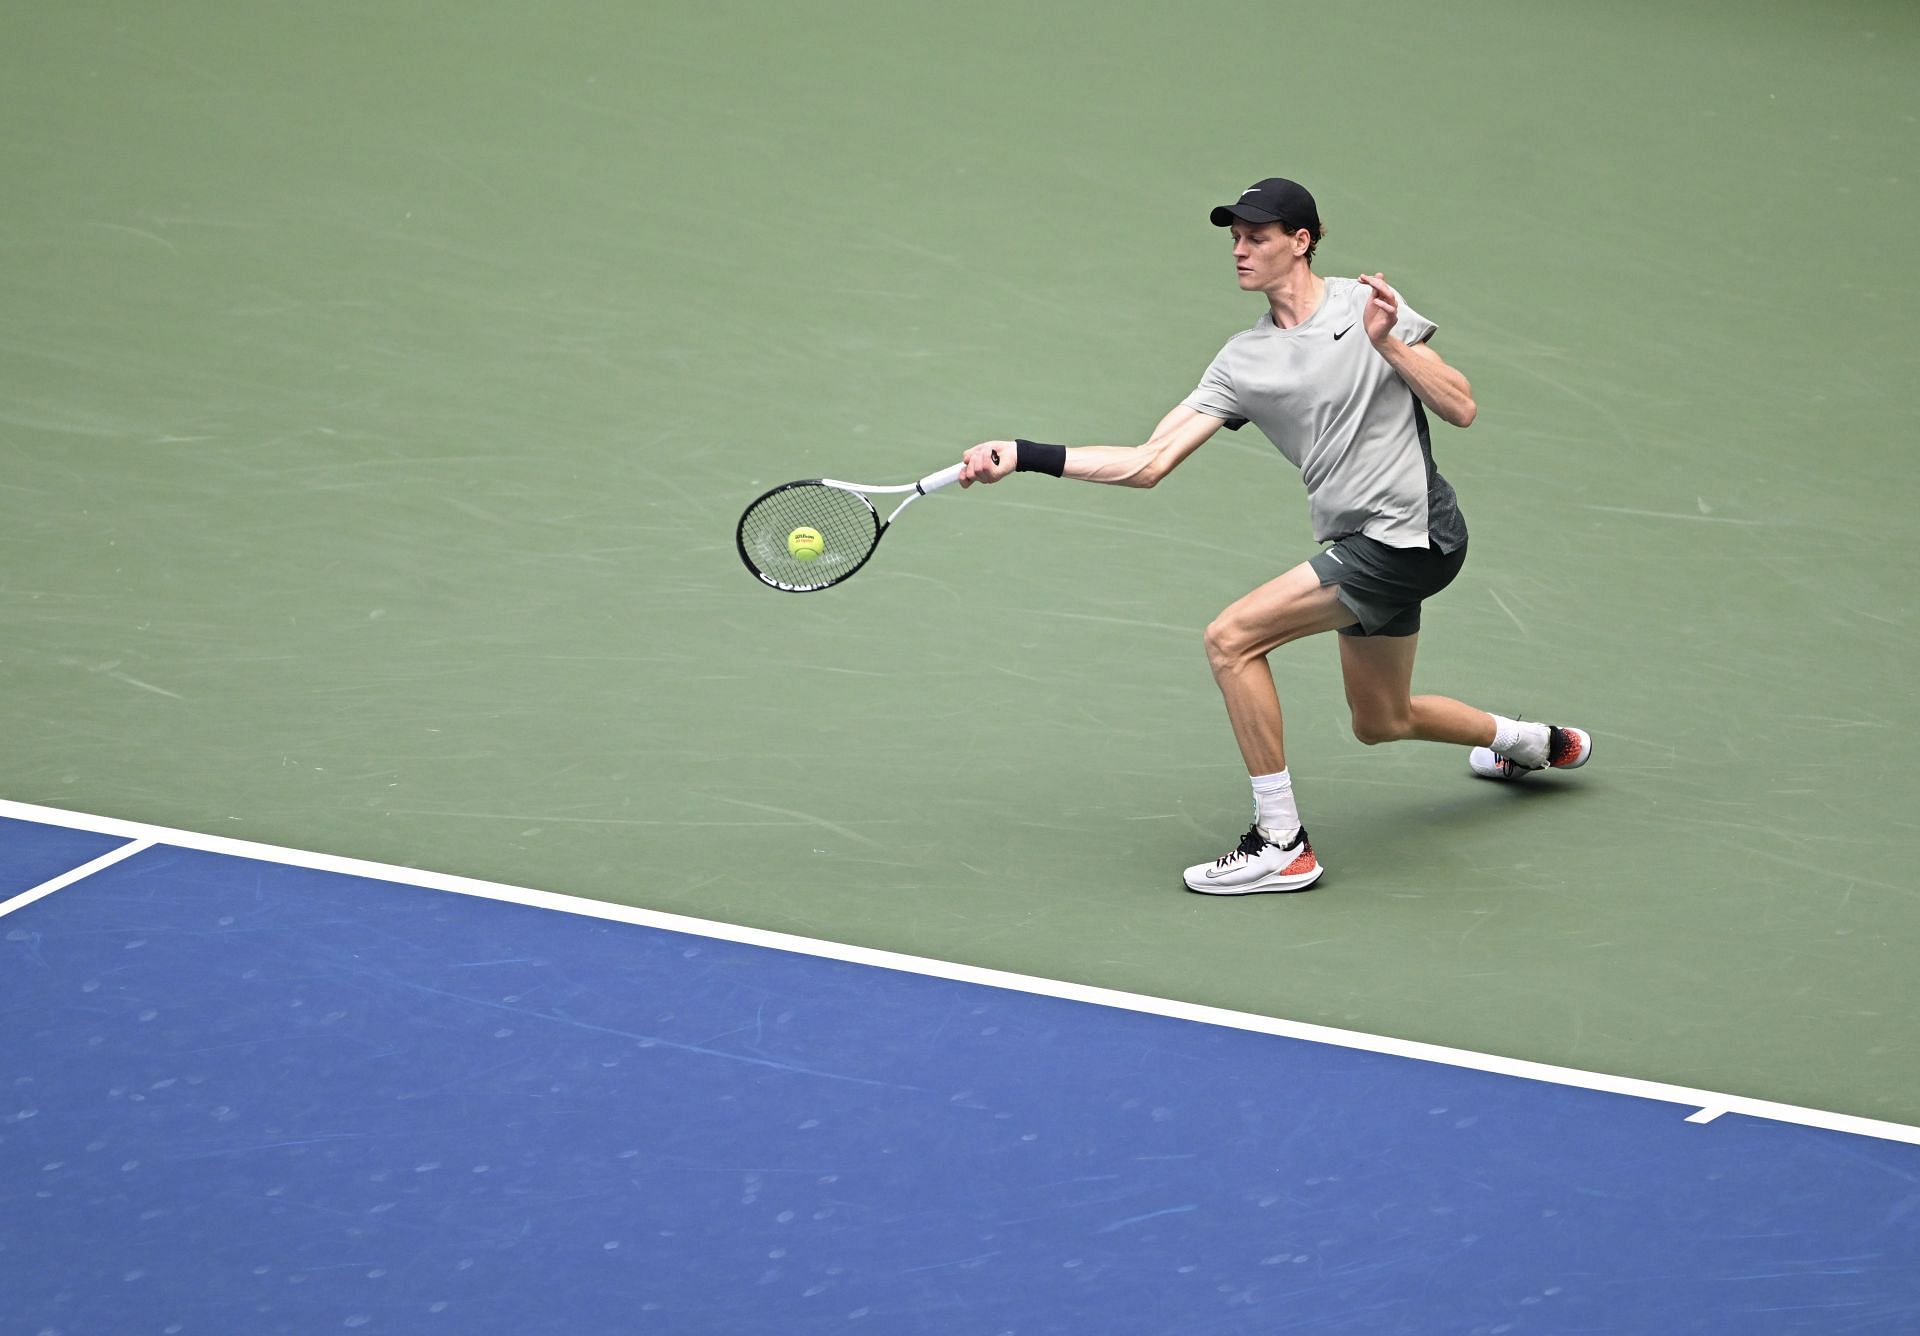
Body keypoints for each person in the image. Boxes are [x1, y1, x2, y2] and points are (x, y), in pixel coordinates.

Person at [957, 176, 1590, 895]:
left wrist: (1391, 345)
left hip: (1409, 535)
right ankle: (1529, 743)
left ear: (1302, 241)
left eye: (1256, 236)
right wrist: (1026, 453)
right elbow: (1147, 462)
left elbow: (1462, 406)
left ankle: (1280, 841)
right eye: (1234, 236)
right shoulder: (1242, 362)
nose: (1240, 249)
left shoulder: (1365, 304)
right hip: (1370, 542)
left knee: (1231, 639)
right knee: (1382, 719)